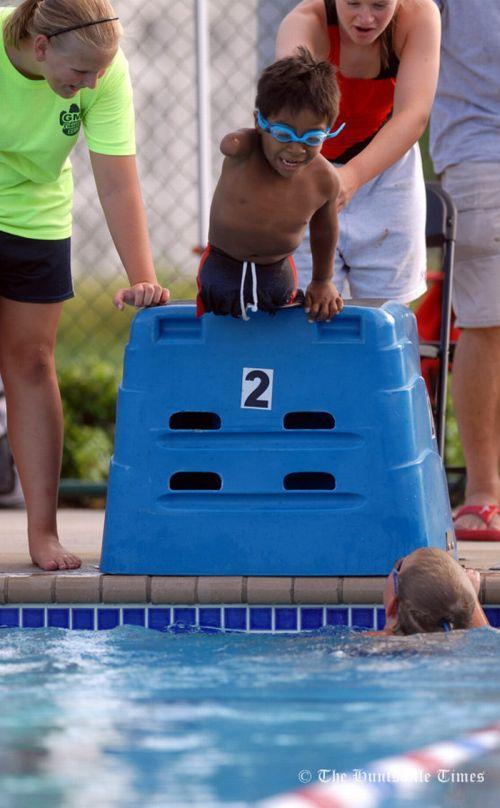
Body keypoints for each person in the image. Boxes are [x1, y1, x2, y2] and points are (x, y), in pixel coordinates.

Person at [0, 0, 169, 571]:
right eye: (81, 74)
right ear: (41, 47)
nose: (93, 83)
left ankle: (42, 533)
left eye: (101, 72)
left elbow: (118, 183)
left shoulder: (104, 68)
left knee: (32, 362)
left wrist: (142, 276)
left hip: (34, 215)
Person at [275, 0, 440, 305]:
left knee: (384, 312)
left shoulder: (418, 15)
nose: (366, 18)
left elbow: (413, 115)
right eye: (353, 3)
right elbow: (292, 118)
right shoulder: (306, 23)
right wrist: (325, 180)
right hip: (310, 166)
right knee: (303, 307)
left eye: (379, 5)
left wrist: (352, 176)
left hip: (384, 166)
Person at [197, 47, 344, 323]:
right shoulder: (245, 151)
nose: (296, 149)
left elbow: (325, 229)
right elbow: (231, 142)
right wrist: (244, 138)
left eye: (312, 138)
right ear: (260, 123)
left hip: (276, 272)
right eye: (283, 134)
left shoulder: (324, 180)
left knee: (278, 337)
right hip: (222, 264)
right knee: (219, 333)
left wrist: (322, 280)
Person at [429, 1, 500, 541]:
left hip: (475, 152)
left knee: (485, 324)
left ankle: (484, 496)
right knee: (484, 324)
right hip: (481, 151)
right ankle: (483, 494)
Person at [377, 548, 490, 636]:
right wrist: (470, 599)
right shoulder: (459, 648)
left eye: (398, 564)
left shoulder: (376, 645)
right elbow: (486, 641)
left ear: (393, 606)